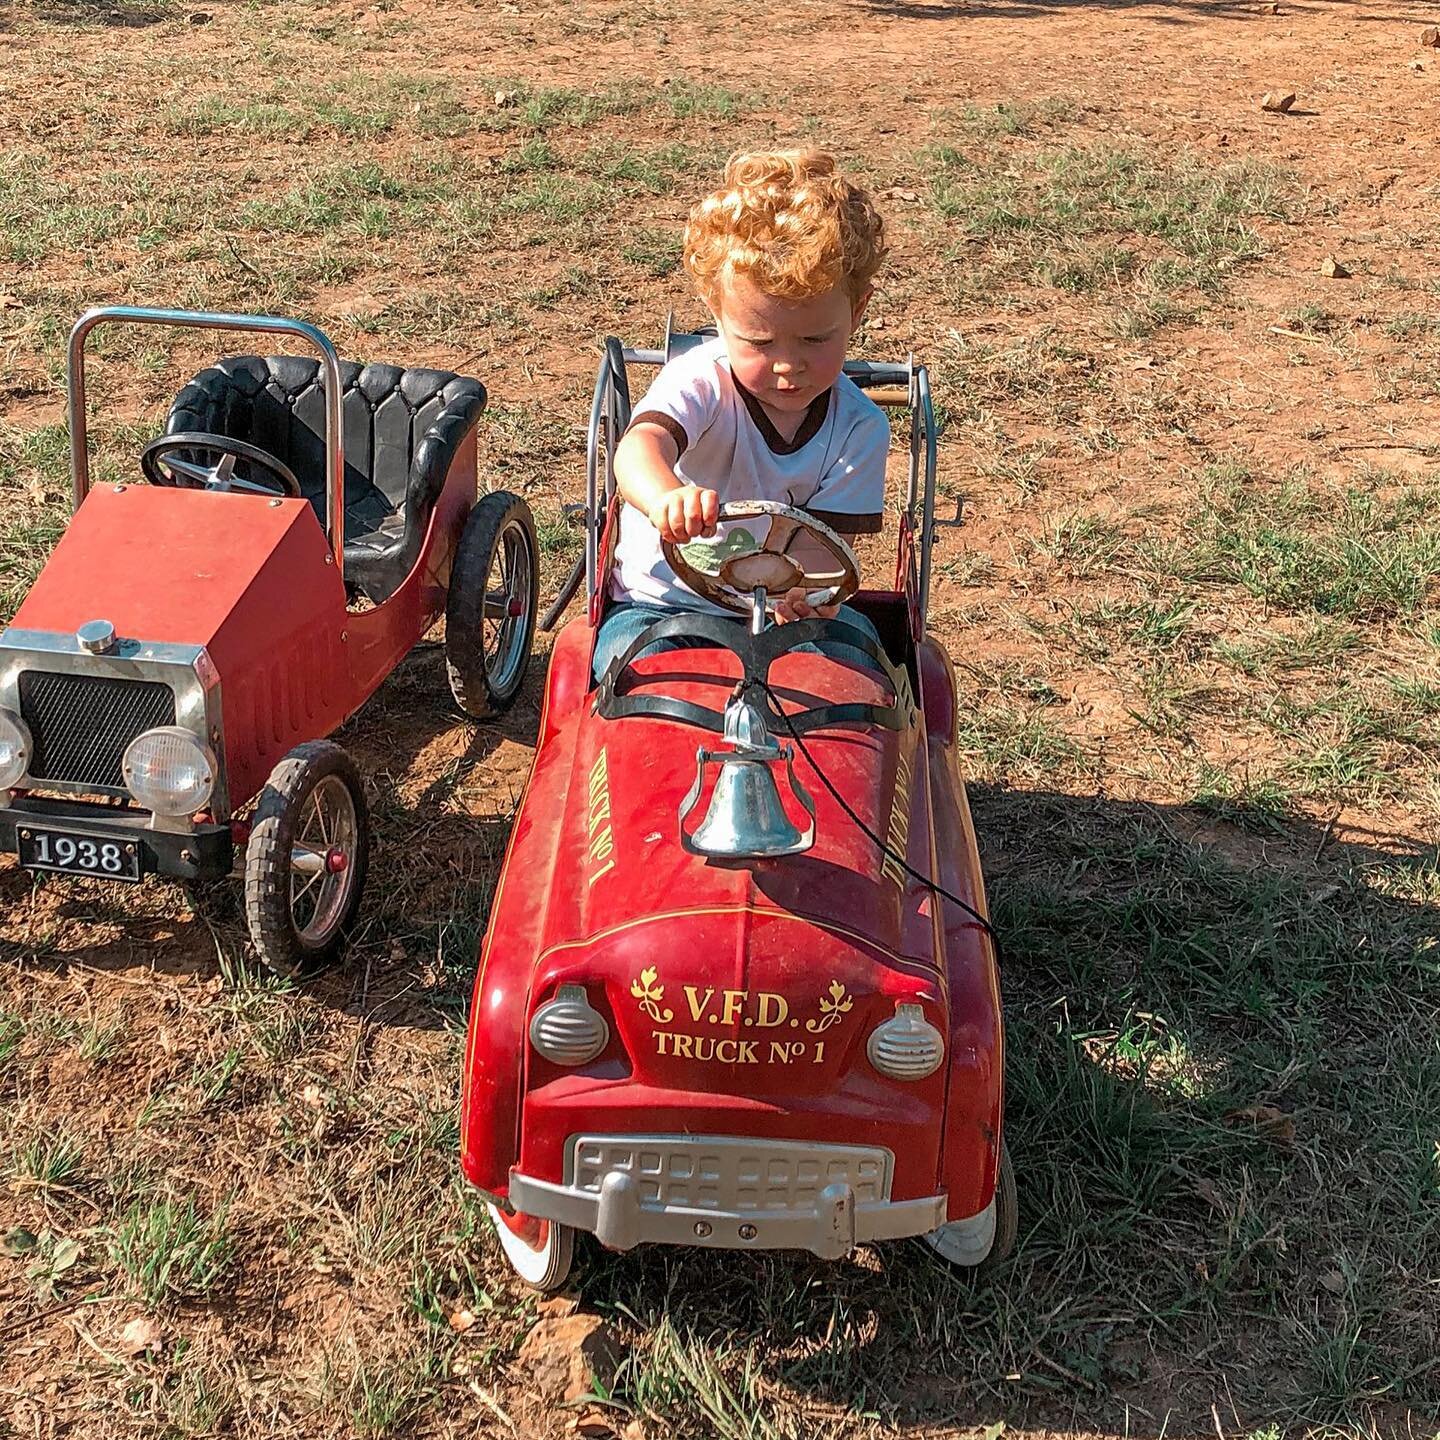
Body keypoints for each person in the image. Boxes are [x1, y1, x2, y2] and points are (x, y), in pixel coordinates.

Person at [592, 148, 892, 680]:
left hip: (784, 617)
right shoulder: (702, 379)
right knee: (634, 674)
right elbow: (639, 449)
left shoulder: (858, 427)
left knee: (859, 668)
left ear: (858, 310)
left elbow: (823, 548)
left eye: (816, 339)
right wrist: (666, 496)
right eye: (758, 341)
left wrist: (810, 596)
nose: (787, 365)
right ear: (717, 313)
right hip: (663, 604)